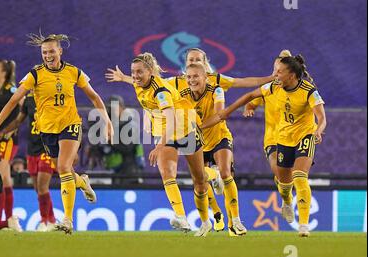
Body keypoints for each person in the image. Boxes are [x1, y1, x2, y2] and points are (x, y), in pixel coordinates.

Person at [0, 32, 112, 235]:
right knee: (66, 173)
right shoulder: (34, 75)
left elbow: (95, 98)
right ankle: (82, 182)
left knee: (63, 167)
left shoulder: (74, 72)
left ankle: (68, 220)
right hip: (47, 131)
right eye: (44, 52)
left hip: (70, 124)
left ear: (60, 51)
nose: (48, 55)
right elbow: (12, 102)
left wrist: (107, 122)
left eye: (52, 51)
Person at [202, 54, 327, 237]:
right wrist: (229, 111)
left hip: (305, 135)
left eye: (279, 72)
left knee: (300, 176)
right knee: (284, 181)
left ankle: (303, 225)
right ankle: (286, 200)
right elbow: (251, 95)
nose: (275, 75)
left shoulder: (308, 91)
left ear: (291, 75)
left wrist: (318, 130)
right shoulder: (274, 87)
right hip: (282, 138)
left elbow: (322, 117)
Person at [111, 52, 219, 237]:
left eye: (139, 72)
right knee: (167, 173)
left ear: (150, 72)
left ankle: (214, 173)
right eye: (133, 72)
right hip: (164, 135)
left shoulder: (161, 92)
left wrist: (159, 146)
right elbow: (137, 83)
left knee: (200, 178)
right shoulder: (139, 83)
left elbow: (172, 121)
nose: (135, 76)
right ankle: (181, 216)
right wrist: (123, 78)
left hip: (184, 130)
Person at [0, 91, 97, 232]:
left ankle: (47, 220)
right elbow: (19, 120)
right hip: (32, 148)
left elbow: (71, 122)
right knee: (38, 188)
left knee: (43, 185)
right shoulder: (28, 101)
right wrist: (2, 132)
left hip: (48, 146)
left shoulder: (54, 97)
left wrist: (73, 148)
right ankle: (81, 183)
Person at [182, 63, 247, 236]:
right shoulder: (182, 96)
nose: (192, 80)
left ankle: (236, 221)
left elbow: (219, 115)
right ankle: (206, 222)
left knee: (226, 174)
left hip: (219, 138)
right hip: (199, 143)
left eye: (196, 76)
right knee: (199, 182)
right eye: (189, 77)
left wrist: (198, 127)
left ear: (205, 77)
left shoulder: (216, 90)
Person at [243, 50, 295, 223]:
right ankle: (287, 202)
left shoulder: (297, 88)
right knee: (278, 169)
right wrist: (249, 107)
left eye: (280, 69)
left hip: (293, 138)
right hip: (272, 139)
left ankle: (288, 198)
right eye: (275, 68)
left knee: (291, 175)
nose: (277, 72)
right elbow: (252, 100)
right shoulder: (269, 88)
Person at [0, 59, 19, 220]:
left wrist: (10, 131)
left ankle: (0, 219)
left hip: (8, 140)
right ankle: (8, 219)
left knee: (0, 177)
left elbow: (21, 113)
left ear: (4, 73)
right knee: (4, 178)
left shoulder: (12, 90)